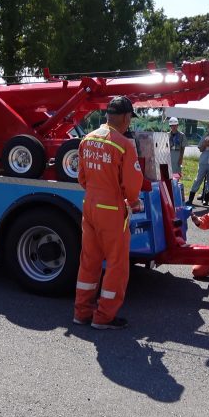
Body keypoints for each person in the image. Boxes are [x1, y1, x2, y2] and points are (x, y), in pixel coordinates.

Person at [73, 96, 145, 330]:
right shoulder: (123, 144)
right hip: (112, 208)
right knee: (116, 264)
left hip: (90, 204)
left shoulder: (87, 139)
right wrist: (133, 202)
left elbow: (81, 177)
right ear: (125, 117)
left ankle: (81, 312)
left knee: (89, 261)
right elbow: (133, 183)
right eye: (129, 119)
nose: (129, 124)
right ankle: (104, 317)